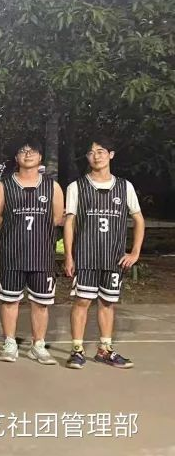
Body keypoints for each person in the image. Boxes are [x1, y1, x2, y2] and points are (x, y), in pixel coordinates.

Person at [64, 137, 145, 369]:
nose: (96, 156)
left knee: (108, 303)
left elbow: (138, 219)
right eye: (91, 153)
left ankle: (105, 350)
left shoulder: (125, 186)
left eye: (101, 151)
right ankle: (77, 350)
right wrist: (69, 255)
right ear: (87, 158)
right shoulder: (76, 186)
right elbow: (69, 222)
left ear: (111, 154)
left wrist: (135, 252)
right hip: (86, 256)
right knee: (82, 301)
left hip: (113, 257)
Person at [0, 138, 63, 365]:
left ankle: (38, 345)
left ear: (40, 157)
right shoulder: (4, 186)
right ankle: (10, 343)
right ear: (16, 157)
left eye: (32, 151)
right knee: (9, 301)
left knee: (40, 303)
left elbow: (57, 218)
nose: (28, 154)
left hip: (41, 255)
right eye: (23, 151)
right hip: (12, 254)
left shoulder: (52, 187)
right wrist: (16, 232)